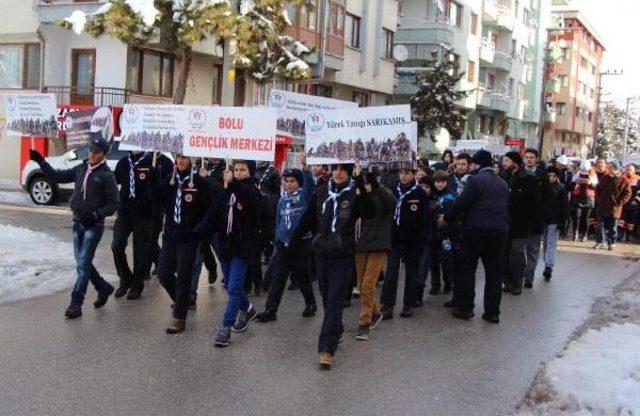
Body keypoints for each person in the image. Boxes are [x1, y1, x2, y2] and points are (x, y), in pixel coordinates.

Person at [29, 137, 118, 319]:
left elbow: (113, 204)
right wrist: (41, 161)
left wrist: (95, 215)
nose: (92, 155)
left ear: (104, 155)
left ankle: (76, 304)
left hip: (93, 226)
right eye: (91, 150)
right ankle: (103, 287)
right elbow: (58, 176)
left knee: (83, 265)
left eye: (97, 152)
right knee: (82, 264)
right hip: (77, 223)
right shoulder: (81, 168)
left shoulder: (107, 176)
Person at [296, 163, 374, 369]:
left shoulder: (354, 193)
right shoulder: (322, 190)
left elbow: (369, 212)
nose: (338, 173)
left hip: (343, 254)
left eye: (343, 170)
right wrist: (292, 240)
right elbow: (308, 218)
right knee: (326, 295)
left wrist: (360, 183)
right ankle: (336, 329)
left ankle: (326, 349)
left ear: (349, 173)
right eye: (335, 169)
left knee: (334, 301)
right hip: (322, 252)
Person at [440, 150, 509, 323]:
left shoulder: (475, 180)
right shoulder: (502, 183)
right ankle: (492, 313)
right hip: (499, 231)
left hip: (476, 230)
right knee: (494, 272)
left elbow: (461, 203)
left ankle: (466, 308)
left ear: (476, 165)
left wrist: (446, 218)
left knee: (467, 269)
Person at [157, 155, 215, 334]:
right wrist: (154, 178)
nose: (180, 161)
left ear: (191, 160)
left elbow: (211, 209)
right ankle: (184, 300)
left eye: (184, 158)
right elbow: (158, 200)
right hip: (170, 235)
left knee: (183, 276)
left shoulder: (200, 182)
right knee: (164, 274)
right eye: (178, 158)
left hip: (189, 238)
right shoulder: (170, 180)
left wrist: (200, 229)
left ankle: (179, 317)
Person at [256, 166, 317, 323]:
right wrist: (278, 238)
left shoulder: (304, 196)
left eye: (293, 181)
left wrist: (306, 169)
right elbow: (279, 220)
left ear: (299, 182)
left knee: (302, 276)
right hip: (283, 244)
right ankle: (270, 310)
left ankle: (310, 303)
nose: (289, 184)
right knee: (278, 278)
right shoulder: (282, 200)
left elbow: (310, 185)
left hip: (301, 243)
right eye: (286, 181)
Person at [214, 160, 261, 347]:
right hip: (226, 244)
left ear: (250, 172)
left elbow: (248, 202)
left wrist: (232, 184)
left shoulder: (253, 191)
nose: (239, 173)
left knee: (234, 287)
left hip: (243, 247)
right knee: (230, 286)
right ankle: (248, 309)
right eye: (237, 169)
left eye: (243, 170)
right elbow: (217, 212)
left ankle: (226, 326)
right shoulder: (227, 189)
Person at [380, 164, 429, 319]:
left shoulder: (420, 193)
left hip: (412, 240)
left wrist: (422, 240)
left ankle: (409, 304)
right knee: (391, 273)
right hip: (395, 238)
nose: (403, 176)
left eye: (407, 173)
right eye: (401, 172)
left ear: (414, 174)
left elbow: (425, 220)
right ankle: (387, 305)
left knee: (411, 273)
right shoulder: (394, 190)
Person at [353, 169, 396, 340]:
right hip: (361, 245)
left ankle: (364, 323)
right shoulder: (359, 194)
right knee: (361, 283)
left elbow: (391, 203)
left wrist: (375, 185)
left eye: (368, 179)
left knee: (367, 284)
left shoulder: (384, 194)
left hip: (379, 245)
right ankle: (376, 312)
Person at [111, 151, 158, 300]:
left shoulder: (152, 161)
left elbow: (159, 187)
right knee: (117, 246)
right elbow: (115, 180)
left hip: (143, 214)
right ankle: (125, 278)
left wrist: (154, 174)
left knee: (140, 252)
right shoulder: (125, 162)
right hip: (125, 212)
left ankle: (136, 285)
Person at [502, 151, 542, 294]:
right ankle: (506, 281)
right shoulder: (502, 178)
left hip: (521, 224)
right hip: (503, 223)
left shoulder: (529, 180)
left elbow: (535, 204)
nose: (504, 164)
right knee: (504, 253)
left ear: (515, 163)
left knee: (517, 253)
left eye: (507, 161)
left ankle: (517, 283)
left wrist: (533, 224)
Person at [594, 161, 632, 250]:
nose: (608, 169)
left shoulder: (623, 180)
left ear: (615, 168)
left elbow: (627, 193)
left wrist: (619, 203)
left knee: (613, 227)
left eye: (610, 167)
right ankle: (600, 242)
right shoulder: (605, 177)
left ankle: (612, 243)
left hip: (615, 208)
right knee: (600, 225)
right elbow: (598, 189)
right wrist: (599, 199)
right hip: (602, 206)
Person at [429, 171, 456, 295]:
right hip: (433, 233)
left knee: (446, 261)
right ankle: (435, 285)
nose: (440, 184)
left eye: (443, 182)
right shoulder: (430, 196)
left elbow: (456, 212)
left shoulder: (451, 196)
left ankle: (448, 283)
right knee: (433, 261)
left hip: (447, 233)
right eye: (437, 182)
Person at [522, 148, 545, 285]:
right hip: (521, 218)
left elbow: (547, 197)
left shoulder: (542, 175)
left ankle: (528, 276)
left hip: (536, 219)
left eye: (531, 157)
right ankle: (518, 274)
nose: (529, 159)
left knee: (532, 249)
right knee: (518, 250)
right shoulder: (520, 174)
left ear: (536, 159)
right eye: (527, 157)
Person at [541, 167, 569, 281]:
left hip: (554, 219)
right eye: (549, 175)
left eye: (553, 176)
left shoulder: (561, 188)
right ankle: (547, 263)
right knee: (546, 244)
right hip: (544, 219)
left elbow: (565, 206)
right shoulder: (543, 187)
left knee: (551, 243)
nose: (551, 178)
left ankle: (548, 266)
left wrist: (563, 222)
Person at [569, 160, 597, 242]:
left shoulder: (592, 174)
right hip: (577, 198)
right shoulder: (577, 173)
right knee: (576, 216)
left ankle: (585, 234)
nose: (584, 171)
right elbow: (571, 185)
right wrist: (576, 182)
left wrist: (590, 183)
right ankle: (575, 233)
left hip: (588, 199)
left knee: (586, 218)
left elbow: (596, 186)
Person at [620, 164, 640, 241]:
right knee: (621, 220)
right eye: (627, 169)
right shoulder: (622, 178)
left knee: (631, 220)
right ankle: (620, 234)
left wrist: (636, 201)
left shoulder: (638, 179)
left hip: (634, 203)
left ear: (634, 171)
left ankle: (629, 235)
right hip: (623, 202)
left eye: (630, 170)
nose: (628, 171)